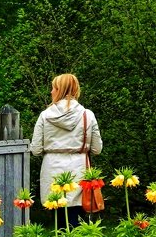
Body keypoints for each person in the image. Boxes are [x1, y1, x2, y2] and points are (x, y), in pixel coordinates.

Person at [29, 73, 103, 225]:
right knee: (78, 217)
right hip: (79, 170)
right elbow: (97, 149)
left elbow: (35, 149)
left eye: (53, 88)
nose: (51, 92)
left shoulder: (44, 116)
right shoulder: (87, 115)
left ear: (60, 90)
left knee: (59, 217)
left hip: (52, 169)